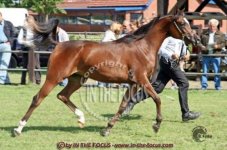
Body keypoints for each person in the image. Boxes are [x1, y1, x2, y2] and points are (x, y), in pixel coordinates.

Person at [123, 36, 201, 122]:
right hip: (168, 62)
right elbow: (160, 49)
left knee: (157, 88)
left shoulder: (182, 40)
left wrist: (187, 55)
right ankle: (186, 114)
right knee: (184, 83)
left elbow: (184, 53)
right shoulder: (169, 38)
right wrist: (171, 55)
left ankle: (132, 101)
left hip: (172, 63)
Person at [200, 19, 225, 90]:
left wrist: (218, 46)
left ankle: (217, 86)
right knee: (204, 71)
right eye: (210, 26)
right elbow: (199, 42)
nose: (211, 27)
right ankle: (204, 87)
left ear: (216, 26)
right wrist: (202, 46)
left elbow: (224, 44)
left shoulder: (221, 34)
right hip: (206, 54)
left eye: (213, 26)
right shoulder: (204, 33)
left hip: (216, 55)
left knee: (217, 72)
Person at [17, 16, 41, 85]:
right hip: (26, 48)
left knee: (37, 64)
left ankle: (37, 80)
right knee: (25, 64)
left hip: (35, 48)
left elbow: (39, 40)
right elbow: (19, 40)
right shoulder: (23, 29)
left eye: (30, 22)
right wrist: (27, 42)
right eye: (27, 22)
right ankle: (23, 81)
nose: (28, 23)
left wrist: (27, 41)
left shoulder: (37, 29)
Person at [97, 22, 122, 87]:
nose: (120, 29)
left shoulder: (112, 34)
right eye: (119, 28)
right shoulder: (109, 33)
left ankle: (108, 83)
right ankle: (102, 83)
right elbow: (104, 42)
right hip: (107, 53)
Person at [0, 12, 15, 85]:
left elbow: (13, 33)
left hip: (5, 45)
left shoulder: (8, 24)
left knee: (4, 63)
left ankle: (1, 81)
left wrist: (10, 41)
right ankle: (6, 80)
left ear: (1, 16)